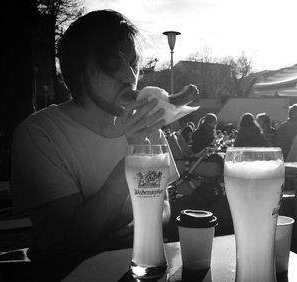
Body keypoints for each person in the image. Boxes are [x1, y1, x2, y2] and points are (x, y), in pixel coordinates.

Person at [10, 10, 178, 280]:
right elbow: (77, 238)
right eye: (113, 64)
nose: (129, 76)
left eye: (134, 64)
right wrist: (132, 153)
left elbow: (165, 205)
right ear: (79, 70)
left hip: (142, 269)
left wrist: (147, 223)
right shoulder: (39, 133)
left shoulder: (146, 125)